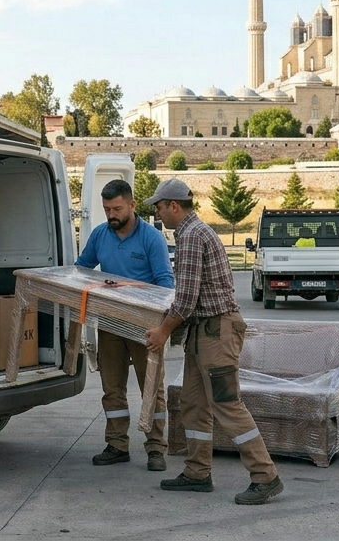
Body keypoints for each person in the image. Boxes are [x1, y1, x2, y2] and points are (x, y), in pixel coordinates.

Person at [142, 178, 284, 505]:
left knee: (227, 404)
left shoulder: (192, 236)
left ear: (174, 206)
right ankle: (197, 472)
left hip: (216, 333)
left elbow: (186, 299)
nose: (158, 214)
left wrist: (163, 331)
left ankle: (265, 476)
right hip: (203, 332)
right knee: (193, 404)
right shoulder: (193, 233)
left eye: (159, 207)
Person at [76, 179, 175, 472]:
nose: (112, 215)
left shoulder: (151, 238)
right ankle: (117, 444)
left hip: (145, 326)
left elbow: (165, 284)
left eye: (117, 209)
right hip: (110, 322)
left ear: (132, 205)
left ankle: (156, 447)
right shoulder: (100, 235)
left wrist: (158, 324)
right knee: (112, 387)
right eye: (107, 209)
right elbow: (80, 269)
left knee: (151, 387)